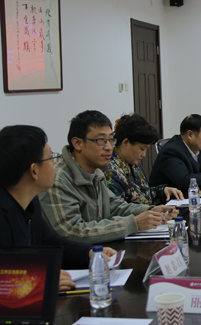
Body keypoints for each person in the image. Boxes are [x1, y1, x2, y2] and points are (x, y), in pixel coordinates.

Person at [0, 125, 116, 291]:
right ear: (34, 170)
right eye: (50, 158)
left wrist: (89, 253)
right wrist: (37, 281)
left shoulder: (31, 202)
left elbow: (49, 243)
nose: (55, 163)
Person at [39, 110, 177, 244]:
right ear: (77, 143)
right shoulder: (57, 180)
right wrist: (132, 223)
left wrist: (149, 211)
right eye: (101, 140)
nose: (109, 147)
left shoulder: (96, 173)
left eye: (111, 140)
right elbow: (73, 231)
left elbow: (114, 206)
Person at [103, 114, 184, 205]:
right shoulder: (111, 172)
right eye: (142, 149)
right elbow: (120, 209)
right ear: (126, 143)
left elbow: (143, 195)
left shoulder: (133, 165)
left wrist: (163, 190)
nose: (144, 155)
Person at [149, 114, 201, 193]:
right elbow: (185, 181)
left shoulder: (197, 147)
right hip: (172, 199)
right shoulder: (171, 151)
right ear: (190, 135)